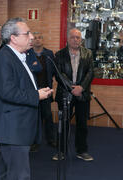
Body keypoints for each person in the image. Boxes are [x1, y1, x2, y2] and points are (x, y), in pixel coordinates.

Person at [0, 17, 53, 180]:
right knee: (19, 175)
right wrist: (36, 95)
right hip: (12, 127)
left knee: (7, 173)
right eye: (27, 33)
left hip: (17, 126)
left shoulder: (18, 56)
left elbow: (19, 86)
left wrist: (37, 91)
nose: (31, 37)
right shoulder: (3, 58)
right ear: (14, 38)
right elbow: (8, 92)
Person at [52, 28, 94, 161]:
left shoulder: (88, 54)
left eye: (78, 37)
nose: (76, 40)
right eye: (73, 37)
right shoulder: (59, 54)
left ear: (81, 39)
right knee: (63, 123)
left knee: (82, 124)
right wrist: (72, 88)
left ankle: (82, 151)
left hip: (83, 94)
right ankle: (61, 151)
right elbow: (59, 75)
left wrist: (81, 87)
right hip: (65, 94)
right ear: (67, 39)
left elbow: (90, 72)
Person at [29, 32, 57, 149]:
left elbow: (54, 71)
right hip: (33, 91)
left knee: (48, 115)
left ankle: (51, 139)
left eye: (40, 37)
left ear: (43, 40)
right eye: (35, 38)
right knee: (35, 117)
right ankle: (35, 142)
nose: (37, 40)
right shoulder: (28, 54)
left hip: (46, 90)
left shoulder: (49, 54)